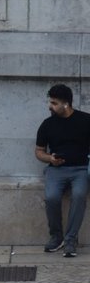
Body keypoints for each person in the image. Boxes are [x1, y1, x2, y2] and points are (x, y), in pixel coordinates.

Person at [35, 83, 90, 257]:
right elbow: (38, 151)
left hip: (80, 169)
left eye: (54, 103)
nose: (50, 106)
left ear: (66, 104)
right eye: (50, 102)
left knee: (80, 195)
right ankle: (56, 237)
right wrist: (50, 158)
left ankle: (71, 240)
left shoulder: (86, 121)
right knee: (51, 197)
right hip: (56, 170)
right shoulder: (47, 124)